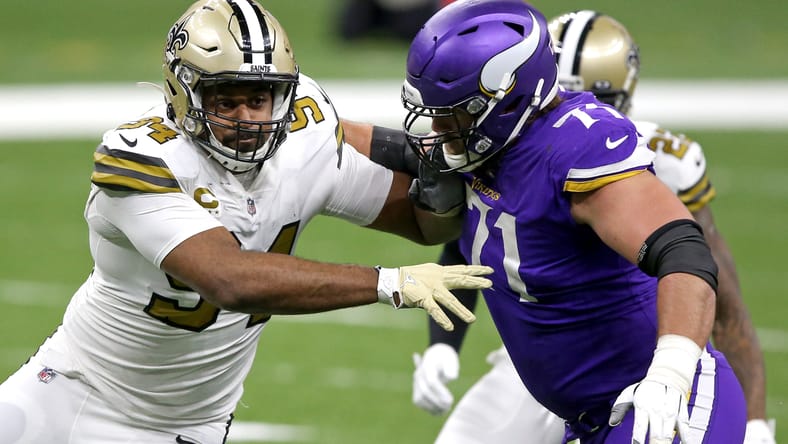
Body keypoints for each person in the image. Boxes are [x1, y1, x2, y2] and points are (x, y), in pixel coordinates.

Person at [0, 1, 494, 442]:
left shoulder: (304, 134)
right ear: (183, 95)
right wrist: (390, 282)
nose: (247, 119)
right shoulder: (140, 155)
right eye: (226, 101)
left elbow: (426, 225)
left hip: (184, 425)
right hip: (70, 386)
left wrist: (440, 173)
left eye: (258, 99)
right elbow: (228, 279)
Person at [399, 9, 777, 444]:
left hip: (645, 377)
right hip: (559, 371)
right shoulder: (492, 149)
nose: (574, 107)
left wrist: (741, 413)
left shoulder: (609, 152)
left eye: (595, 96)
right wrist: (443, 344)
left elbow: (705, 278)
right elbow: (476, 243)